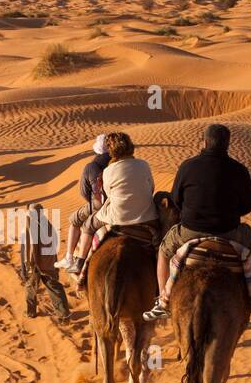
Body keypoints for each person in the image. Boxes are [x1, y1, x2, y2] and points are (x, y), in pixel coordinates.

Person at [146, 123, 251, 318]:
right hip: (229, 231)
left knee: (164, 251)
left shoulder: (188, 166)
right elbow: (248, 205)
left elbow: (176, 199)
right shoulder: (238, 170)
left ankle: (163, 301)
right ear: (227, 144)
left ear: (204, 142)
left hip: (190, 230)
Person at [64, 133, 156, 275]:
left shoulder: (107, 171)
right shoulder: (144, 165)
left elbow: (108, 195)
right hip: (147, 214)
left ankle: (79, 262)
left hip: (118, 215)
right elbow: (151, 188)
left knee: (88, 226)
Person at [55, 134, 109, 271]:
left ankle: (70, 258)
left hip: (99, 204)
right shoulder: (116, 163)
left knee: (74, 220)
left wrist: (92, 203)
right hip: (122, 203)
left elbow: (84, 192)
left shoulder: (91, 166)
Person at [20, 205, 69, 321]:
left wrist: (24, 267)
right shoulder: (48, 226)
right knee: (54, 287)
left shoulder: (29, 228)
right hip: (48, 263)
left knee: (30, 287)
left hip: (34, 265)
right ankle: (64, 314)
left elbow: (27, 250)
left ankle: (30, 312)